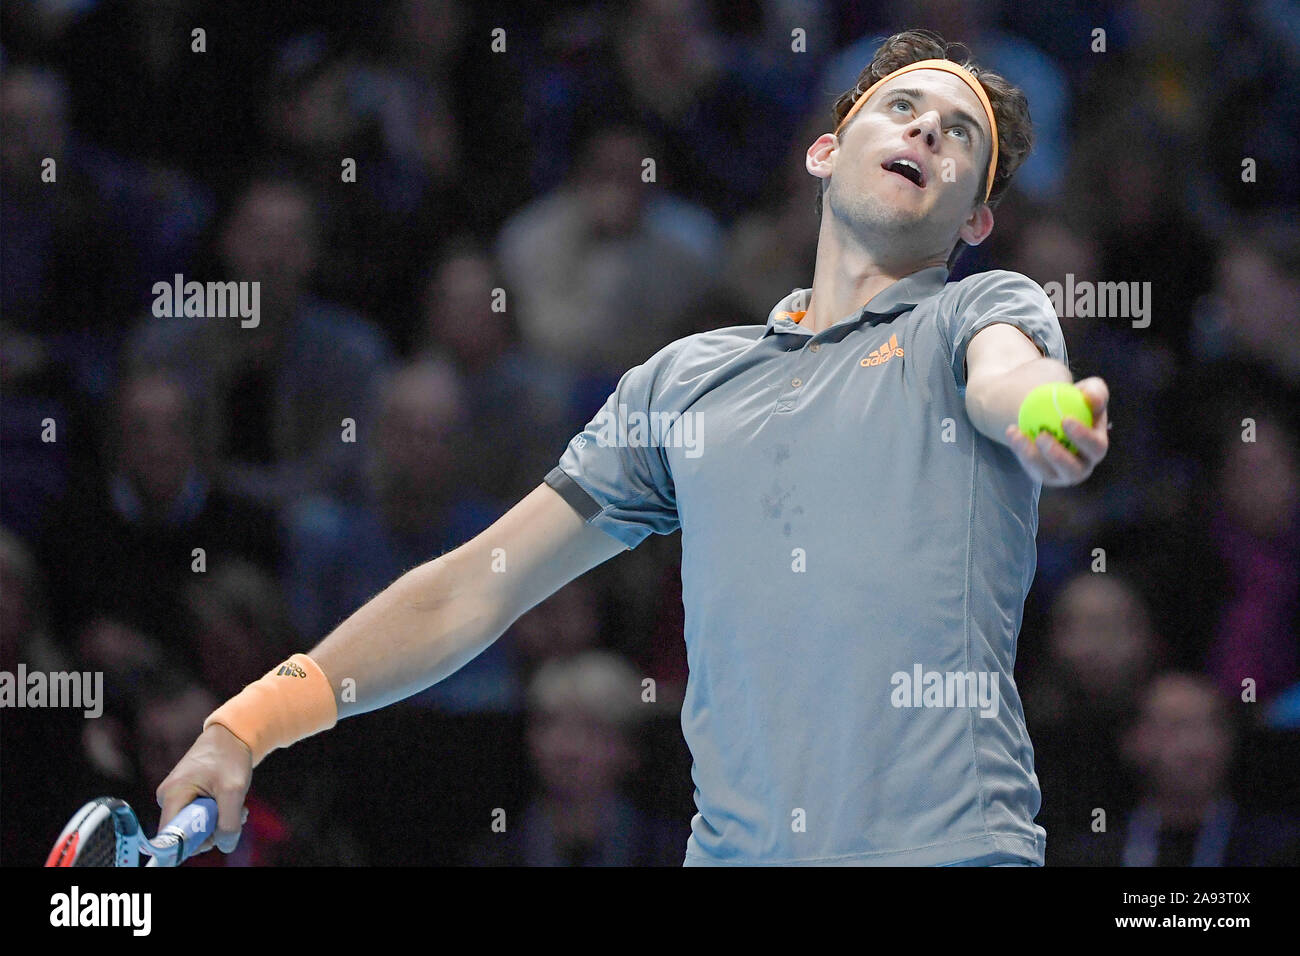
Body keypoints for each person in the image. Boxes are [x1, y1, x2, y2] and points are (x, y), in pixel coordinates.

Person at [157, 30, 1110, 866]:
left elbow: (1007, 379)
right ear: (824, 151)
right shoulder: (684, 382)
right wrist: (243, 727)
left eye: (960, 133)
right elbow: (475, 585)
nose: (928, 130)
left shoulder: (978, 312)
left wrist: (1044, 413)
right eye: (902, 107)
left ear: (976, 220)